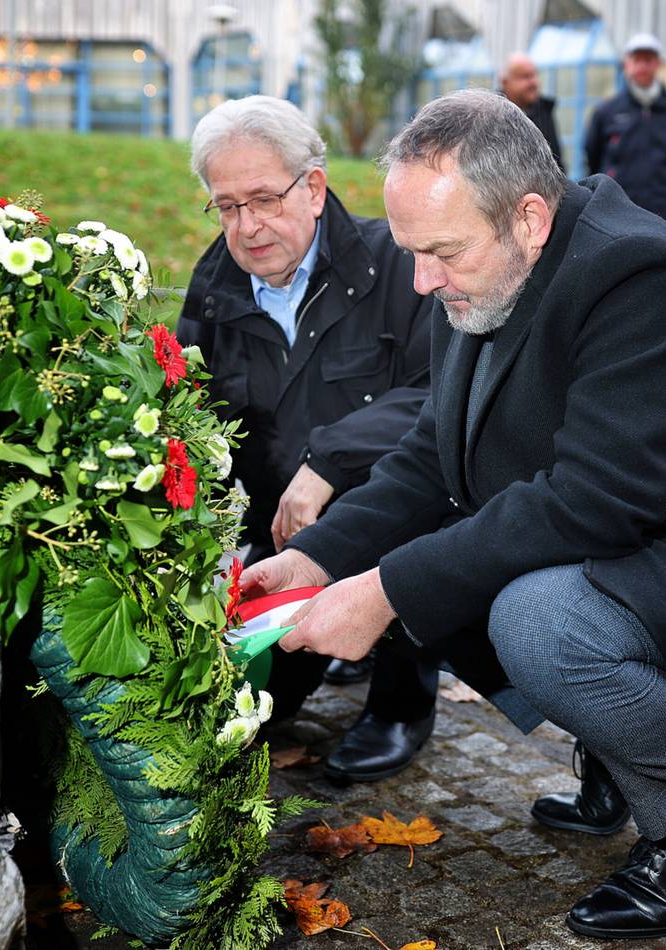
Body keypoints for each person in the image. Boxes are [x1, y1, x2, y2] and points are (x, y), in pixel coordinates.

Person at [237, 89, 666, 939]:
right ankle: (616, 750)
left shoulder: (639, 273)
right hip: (650, 539)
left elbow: (598, 501)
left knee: (533, 616)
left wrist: (383, 590)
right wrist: (323, 558)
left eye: (441, 253)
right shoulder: (476, 272)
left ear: (528, 218)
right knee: (445, 560)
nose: (420, 280)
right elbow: (433, 454)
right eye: (415, 252)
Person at [177, 95, 438, 781]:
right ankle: (325, 651)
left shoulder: (398, 264)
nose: (248, 226)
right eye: (227, 206)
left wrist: (328, 462)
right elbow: (193, 421)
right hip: (282, 538)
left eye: (263, 198)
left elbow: (441, 393)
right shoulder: (212, 293)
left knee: (424, 517)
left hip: (391, 513)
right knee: (239, 720)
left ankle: (400, 702)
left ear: (314, 188)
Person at [585, 32, 666, 227]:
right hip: (617, 210)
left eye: (648, 60)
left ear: (658, 64)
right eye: (637, 60)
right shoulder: (606, 111)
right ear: (626, 64)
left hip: (663, 212)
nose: (642, 66)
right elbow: (592, 155)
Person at [500, 52, 565, 171]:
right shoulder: (490, 115)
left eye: (535, 75)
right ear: (505, 82)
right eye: (525, 77)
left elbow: (557, 162)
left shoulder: (544, 110)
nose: (534, 83)